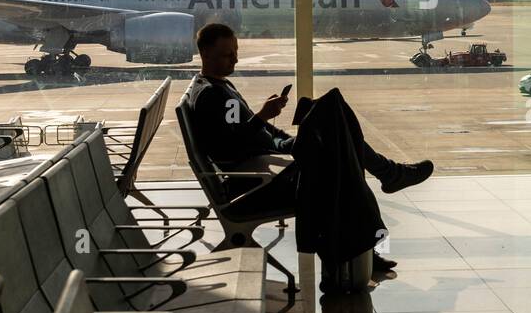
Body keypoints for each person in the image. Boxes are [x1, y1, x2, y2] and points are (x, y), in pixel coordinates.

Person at [185, 22, 433, 273]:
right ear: (205, 54)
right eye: (227, 54)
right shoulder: (212, 96)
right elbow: (229, 149)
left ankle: (386, 185)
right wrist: (262, 116)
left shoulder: (217, 86)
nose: (235, 60)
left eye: (236, 52)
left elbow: (246, 131)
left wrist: (284, 137)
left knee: (329, 123)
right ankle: (388, 177)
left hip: (269, 162)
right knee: (334, 120)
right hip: (257, 182)